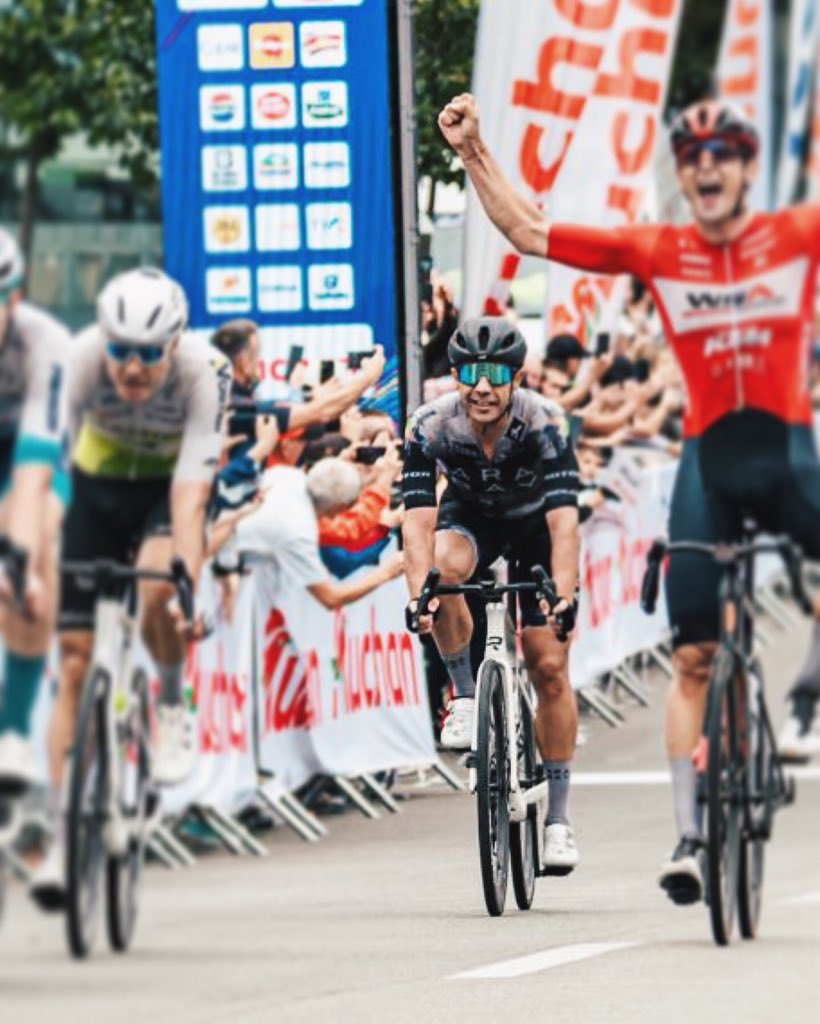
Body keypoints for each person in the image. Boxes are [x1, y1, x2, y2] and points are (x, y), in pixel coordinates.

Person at [437, 92, 820, 904]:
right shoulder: (661, 248)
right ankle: (691, 837)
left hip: (786, 449)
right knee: (692, 656)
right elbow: (530, 232)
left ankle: (807, 695)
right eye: (693, 159)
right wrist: (472, 151)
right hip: (708, 462)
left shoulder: (795, 235)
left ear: (747, 170)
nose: (707, 168)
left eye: (723, 157)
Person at [31, 266, 230, 907]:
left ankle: (169, 700)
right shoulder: (81, 358)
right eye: (121, 350)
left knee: (155, 591)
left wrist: (186, 586)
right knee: (74, 662)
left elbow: (191, 498)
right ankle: (63, 835)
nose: (133, 367)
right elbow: (46, 468)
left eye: (147, 353)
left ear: (174, 343)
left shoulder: (205, 372)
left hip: (165, 493)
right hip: (97, 488)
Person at [402, 316, 582, 873]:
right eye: (471, 373)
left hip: (535, 529)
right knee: (443, 572)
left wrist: (563, 595)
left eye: (496, 374)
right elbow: (417, 521)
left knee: (549, 668)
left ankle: (558, 820)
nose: (482, 386)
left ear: (516, 379)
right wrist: (419, 595)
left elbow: (565, 524)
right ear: (455, 375)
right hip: (472, 519)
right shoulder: (429, 425)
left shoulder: (546, 422)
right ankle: (464, 696)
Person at [0, 228, 71, 803]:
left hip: (39, 460)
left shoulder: (45, 343)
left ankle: (15, 731)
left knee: (33, 547)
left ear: (14, 300)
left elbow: (31, 476)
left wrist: (16, 561)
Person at [211, 456, 404, 612]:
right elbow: (330, 598)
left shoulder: (286, 475)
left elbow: (333, 482)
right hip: (209, 566)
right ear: (340, 507)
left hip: (211, 533)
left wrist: (371, 478)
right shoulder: (299, 532)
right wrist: (386, 573)